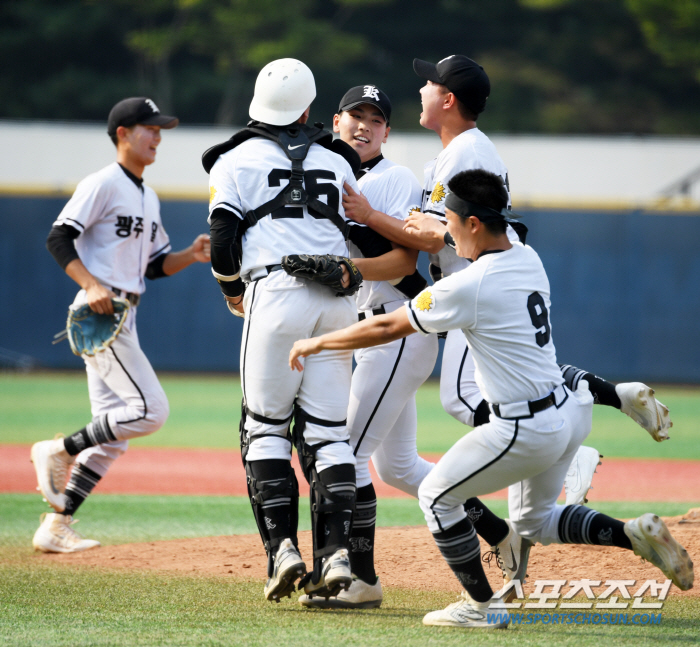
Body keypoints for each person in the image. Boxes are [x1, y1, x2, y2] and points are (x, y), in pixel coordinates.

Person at [289, 169, 693, 629]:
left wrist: (316, 343)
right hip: (566, 415)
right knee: (534, 523)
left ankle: (480, 606)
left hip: (524, 428)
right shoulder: (527, 256)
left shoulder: (471, 284)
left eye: (450, 222)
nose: (444, 233)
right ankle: (633, 535)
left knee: (438, 495)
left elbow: (386, 326)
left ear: (475, 224)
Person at [342, 55, 671, 445]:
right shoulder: (458, 153)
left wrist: (370, 215)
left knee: (463, 397)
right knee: (518, 376)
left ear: (448, 99)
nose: (421, 88)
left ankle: (558, 451)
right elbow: (430, 228)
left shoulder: (466, 151)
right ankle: (609, 395)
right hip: (499, 274)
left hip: (483, 279)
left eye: (430, 82)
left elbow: (433, 236)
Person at [204, 59, 409, 604]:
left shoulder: (234, 158)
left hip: (275, 294)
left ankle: (283, 554)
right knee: (327, 435)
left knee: (265, 429)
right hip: (337, 301)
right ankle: (337, 553)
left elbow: (224, 240)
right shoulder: (336, 159)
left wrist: (231, 291)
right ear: (310, 110)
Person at [31, 97, 211, 553]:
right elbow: (59, 236)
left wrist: (188, 256)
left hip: (125, 312)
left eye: (160, 130)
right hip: (101, 311)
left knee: (113, 436)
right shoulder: (104, 183)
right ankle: (59, 450)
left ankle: (55, 526)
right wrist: (90, 284)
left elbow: (152, 266)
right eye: (148, 128)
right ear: (122, 134)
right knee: (150, 411)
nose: (157, 137)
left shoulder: (147, 195)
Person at [298, 85, 438, 610]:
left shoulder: (392, 177)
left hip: (395, 326)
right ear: (336, 122)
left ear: (386, 131)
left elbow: (405, 262)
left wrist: (355, 224)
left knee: (345, 453)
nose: (364, 125)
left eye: (375, 119)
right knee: (399, 466)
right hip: (369, 328)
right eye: (356, 115)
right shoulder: (323, 171)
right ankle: (496, 532)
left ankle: (362, 578)